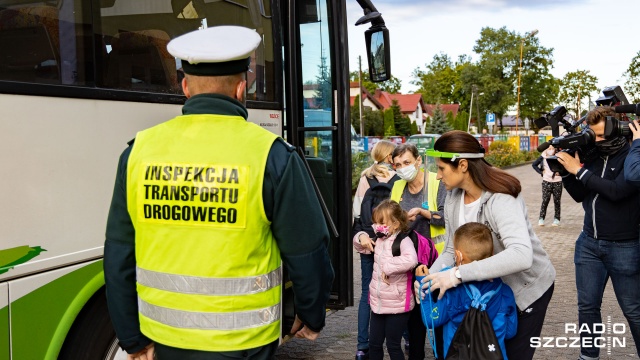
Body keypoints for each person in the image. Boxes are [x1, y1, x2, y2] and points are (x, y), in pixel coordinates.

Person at [103, 26, 334, 360]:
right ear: (242, 89)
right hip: (245, 344)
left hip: (166, 341)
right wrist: (312, 315)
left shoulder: (138, 152)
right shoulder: (272, 154)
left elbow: (119, 254)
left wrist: (132, 339)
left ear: (185, 87)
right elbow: (308, 250)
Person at [419, 130, 556, 360]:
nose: (438, 177)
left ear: (462, 165)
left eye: (441, 169)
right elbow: (452, 250)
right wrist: (429, 280)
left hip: (525, 291)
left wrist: (457, 274)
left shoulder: (501, 197)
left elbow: (522, 255)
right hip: (492, 293)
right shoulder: (453, 197)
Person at [556, 106, 640, 360]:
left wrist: (578, 170)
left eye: (602, 135)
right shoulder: (593, 154)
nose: (597, 140)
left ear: (620, 129)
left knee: (633, 310)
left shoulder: (632, 157)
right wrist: (563, 169)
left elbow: (616, 192)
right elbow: (581, 194)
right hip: (588, 243)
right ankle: (588, 355)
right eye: (593, 135)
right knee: (587, 306)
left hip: (624, 246)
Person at [421, 222, 517, 359]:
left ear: (458, 256)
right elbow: (510, 332)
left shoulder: (451, 290)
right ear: (492, 255)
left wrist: (424, 289)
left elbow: (431, 320)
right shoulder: (505, 292)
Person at [389, 142, 446, 360]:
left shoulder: (436, 181)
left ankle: (441, 353)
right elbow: (393, 222)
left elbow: (445, 217)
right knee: (414, 319)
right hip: (409, 262)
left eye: (407, 162)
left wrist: (423, 212)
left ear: (418, 161)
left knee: (439, 312)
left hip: (437, 260)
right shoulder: (397, 187)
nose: (403, 168)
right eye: (398, 165)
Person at [353, 199, 418, 360]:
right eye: (375, 222)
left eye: (381, 222)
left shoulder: (403, 241)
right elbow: (361, 247)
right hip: (378, 304)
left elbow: (411, 260)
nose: (376, 226)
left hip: (397, 305)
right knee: (374, 344)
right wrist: (361, 236)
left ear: (395, 224)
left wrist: (388, 267)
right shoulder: (380, 240)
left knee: (393, 345)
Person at [352, 140, 397, 360]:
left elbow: (357, 213)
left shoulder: (365, 178)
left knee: (366, 294)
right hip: (393, 244)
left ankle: (362, 346)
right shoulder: (397, 178)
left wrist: (363, 235)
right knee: (399, 289)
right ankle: (402, 340)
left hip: (367, 242)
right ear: (390, 156)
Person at [532, 145, 563, 226]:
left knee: (557, 201)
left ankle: (556, 219)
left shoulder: (558, 157)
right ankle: (541, 218)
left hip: (557, 181)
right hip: (546, 181)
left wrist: (560, 172)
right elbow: (534, 165)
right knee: (545, 200)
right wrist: (541, 172)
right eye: (549, 148)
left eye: (552, 148)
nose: (551, 150)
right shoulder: (543, 157)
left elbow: (565, 168)